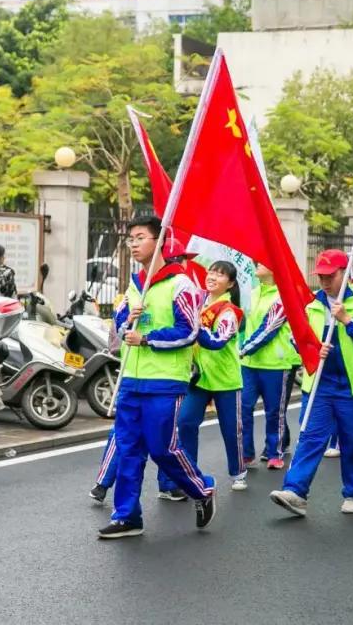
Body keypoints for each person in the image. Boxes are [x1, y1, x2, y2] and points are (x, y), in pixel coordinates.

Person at [98, 215, 216, 539]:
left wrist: (148, 339)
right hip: (132, 380)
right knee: (127, 448)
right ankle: (127, 516)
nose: (133, 244)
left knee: (163, 448)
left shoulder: (182, 285)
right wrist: (127, 319)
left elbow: (189, 330)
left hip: (165, 381)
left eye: (140, 238)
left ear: (159, 240)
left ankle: (202, 490)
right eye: (130, 239)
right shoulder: (135, 285)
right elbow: (120, 330)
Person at [270, 250, 353, 517]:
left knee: (352, 441)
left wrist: (346, 320)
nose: (325, 281)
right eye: (320, 276)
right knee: (310, 436)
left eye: (330, 276)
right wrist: (312, 351)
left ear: (345, 273)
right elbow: (298, 339)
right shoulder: (312, 305)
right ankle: (295, 491)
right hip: (320, 384)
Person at [178, 261, 247, 491]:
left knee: (230, 428)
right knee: (186, 422)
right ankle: (190, 473)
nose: (213, 277)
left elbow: (216, 342)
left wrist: (195, 323)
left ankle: (238, 472)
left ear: (230, 284)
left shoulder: (230, 312)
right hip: (198, 378)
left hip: (225, 379)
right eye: (212, 272)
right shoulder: (199, 302)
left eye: (220, 274)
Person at [239, 264, 296, 470]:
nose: (256, 264)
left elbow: (268, 329)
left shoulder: (283, 297)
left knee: (274, 411)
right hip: (248, 364)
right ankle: (245, 453)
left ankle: (275, 452)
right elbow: (242, 323)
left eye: (262, 262)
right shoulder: (252, 294)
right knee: (243, 407)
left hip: (275, 364)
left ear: (273, 268)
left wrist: (244, 349)